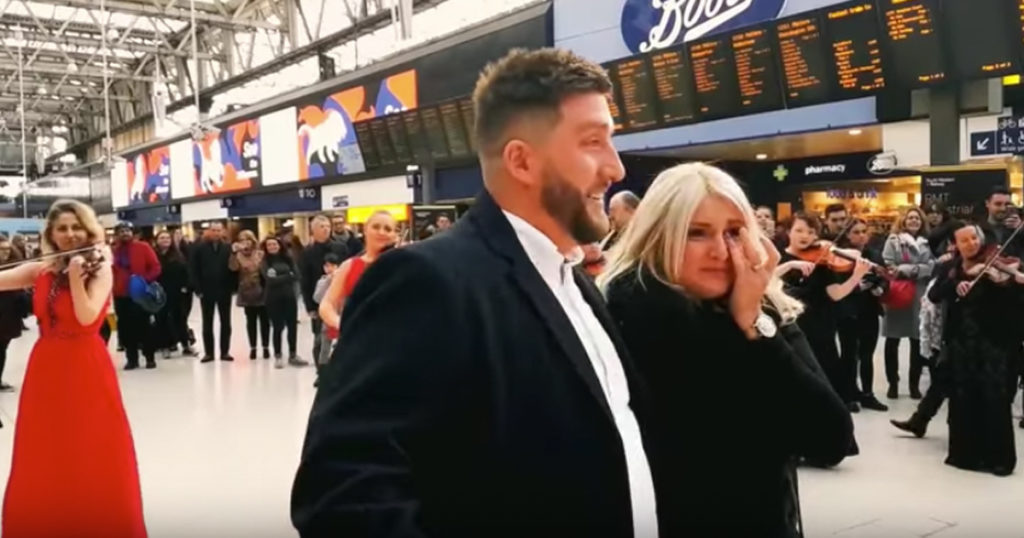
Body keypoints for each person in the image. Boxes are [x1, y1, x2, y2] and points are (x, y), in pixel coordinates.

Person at [292, 48, 659, 537]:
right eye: (592, 142)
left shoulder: (574, 280)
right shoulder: (429, 282)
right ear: (522, 161)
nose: (615, 169)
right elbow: (342, 495)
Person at [599, 163, 853, 537]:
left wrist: (752, 325)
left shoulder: (765, 311)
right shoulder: (623, 320)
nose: (721, 250)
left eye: (735, 232)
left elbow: (831, 436)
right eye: (696, 233)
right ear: (658, 237)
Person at [0, 200, 146, 536]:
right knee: (45, 450)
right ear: (50, 233)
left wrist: (77, 279)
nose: (69, 234)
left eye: (75, 227)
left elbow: (86, 317)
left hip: (85, 367)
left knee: (89, 447)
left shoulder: (101, 268)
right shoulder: (44, 269)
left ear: (88, 229)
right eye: (61, 228)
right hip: (46, 367)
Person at [927, 223, 1024, 476]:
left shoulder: (1000, 263)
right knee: (963, 397)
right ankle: (965, 455)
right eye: (964, 240)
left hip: (994, 343)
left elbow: (1015, 303)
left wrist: (1013, 281)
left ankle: (1000, 459)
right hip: (961, 343)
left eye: (974, 238)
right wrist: (956, 284)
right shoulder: (950, 267)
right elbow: (935, 295)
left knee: (995, 398)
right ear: (955, 245)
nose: (970, 244)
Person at [778, 213, 872, 415]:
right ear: (788, 232)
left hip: (820, 326)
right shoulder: (779, 257)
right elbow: (765, 279)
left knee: (825, 375)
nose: (805, 236)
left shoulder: (822, 261)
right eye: (799, 230)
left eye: (811, 232)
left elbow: (836, 294)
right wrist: (790, 265)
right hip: (788, 326)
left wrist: (856, 276)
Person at [318, 211, 399, 365]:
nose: (381, 232)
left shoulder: (402, 265)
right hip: (357, 346)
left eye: (388, 229)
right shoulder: (350, 266)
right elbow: (327, 304)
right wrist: (341, 324)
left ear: (395, 235)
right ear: (365, 230)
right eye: (376, 227)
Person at [835, 218, 889, 412]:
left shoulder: (874, 254)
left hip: (869, 309)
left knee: (868, 354)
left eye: (863, 231)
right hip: (849, 311)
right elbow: (838, 283)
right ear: (848, 235)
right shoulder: (841, 256)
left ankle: (867, 394)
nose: (861, 235)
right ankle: (848, 393)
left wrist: (880, 288)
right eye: (856, 232)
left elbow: (884, 277)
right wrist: (858, 286)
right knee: (849, 355)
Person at [881, 207, 934, 399]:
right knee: (892, 340)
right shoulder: (893, 241)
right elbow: (889, 267)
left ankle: (914, 385)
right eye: (910, 218)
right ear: (903, 221)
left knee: (917, 341)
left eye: (917, 218)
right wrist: (917, 269)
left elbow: (932, 266)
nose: (914, 221)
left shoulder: (928, 242)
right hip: (897, 295)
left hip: (919, 295)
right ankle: (892, 384)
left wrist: (907, 269)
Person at [299, 215, 348, 375]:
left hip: (341, 300)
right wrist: (310, 306)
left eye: (328, 226)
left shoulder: (341, 248)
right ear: (313, 230)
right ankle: (321, 370)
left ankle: (341, 368)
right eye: (322, 226)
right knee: (320, 339)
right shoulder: (307, 253)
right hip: (319, 300)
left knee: (342, 335)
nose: (326, 229)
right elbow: (305, 280)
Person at [111, 221, 161, 370]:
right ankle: (131, 358)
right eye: (121, 231)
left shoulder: (143, 247)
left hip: (140, 294)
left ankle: (149, 357)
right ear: (117, 235)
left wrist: (144, 281)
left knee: (144, 326)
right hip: (121, 295)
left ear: (132, 233)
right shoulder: (114, 251)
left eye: (127, 230)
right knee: (126, 328)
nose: (124, 233)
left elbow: (155, 267)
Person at [190, 221, 236, 362]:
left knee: (226, 322)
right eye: (213, 230)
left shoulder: (228, 248)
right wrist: (198, 289)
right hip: (206, 290)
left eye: (219, 230)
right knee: (207, 322)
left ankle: (225, 352)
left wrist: (233, 287)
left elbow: (233, 269)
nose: (216, 233)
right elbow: (193, 269)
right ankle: (209, 352)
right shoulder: (199, 248)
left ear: (222, 232)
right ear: (208, 231)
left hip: (224, 290)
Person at [262, 236, 303, 368]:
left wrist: (280, 276)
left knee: (292, 326)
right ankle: (278, 355)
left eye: (275, 244)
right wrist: (288, 275)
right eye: (269, 245)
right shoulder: (265, 262)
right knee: (277, 327)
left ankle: (293, 354)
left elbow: (297, 275)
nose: (272, 247)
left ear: (279, 246)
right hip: (273, 299)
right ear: (266, 248)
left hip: (289, 297)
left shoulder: (288, 258)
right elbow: (270, 280)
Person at [154, 230, 196, 358]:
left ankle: (185, 345)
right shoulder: (153, 256)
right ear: (157, 241)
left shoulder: (178, 255)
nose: (165, 240)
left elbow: (186, 272)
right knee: (162, 319)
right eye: (162, 238)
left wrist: (186, 287)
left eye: (167, 237)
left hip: (177, 292)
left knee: (180, 319)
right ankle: (165, 346)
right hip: (160, 292)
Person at [230, 230, 270, 360]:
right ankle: (253, 347)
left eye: (247, 240)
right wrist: (234, 253)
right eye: (242, 240)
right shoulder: (237, 255)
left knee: (264, 321)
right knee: (250, 321)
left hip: (261, 290)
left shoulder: (260, 254)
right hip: (246, 291)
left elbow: (265, 271)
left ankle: (265, 347)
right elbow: (233, 268)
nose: (245, 243)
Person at [0, 235, 29, 392]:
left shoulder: (14, 267)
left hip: (8, 316)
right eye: (1, 250)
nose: (4, 253)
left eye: (7, 250)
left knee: (2, 350)